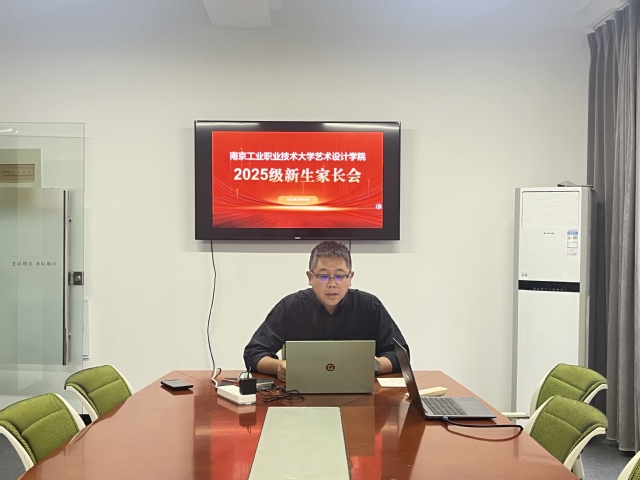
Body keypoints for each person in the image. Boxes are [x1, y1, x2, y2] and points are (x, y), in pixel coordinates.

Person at [243, 240, 409, 382]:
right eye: (323, 276)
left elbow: (400, 355)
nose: (332, 284)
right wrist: (279, 367)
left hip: (358, 389)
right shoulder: (290, 306)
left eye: (340, 276)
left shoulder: (370, 306)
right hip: (300, 392)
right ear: (310, 277)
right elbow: (253, 353)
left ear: (350, 278)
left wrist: (373, 365)